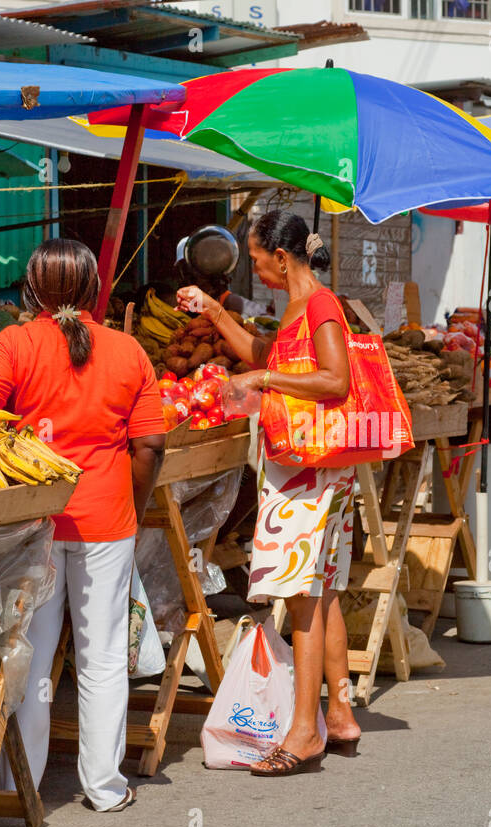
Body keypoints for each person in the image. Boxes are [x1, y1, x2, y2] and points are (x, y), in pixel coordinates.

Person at [0, 237, 166, 812]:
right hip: (107, 521)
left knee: (27, 649)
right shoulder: (128, 351)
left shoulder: (10, 345)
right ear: (94, 289)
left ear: (30, 290)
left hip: (33, 523)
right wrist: (133, 506)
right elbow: (149, 444)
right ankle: (104, 788)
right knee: (102, 654)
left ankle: (14, 786)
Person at [177, 210, 360, 776]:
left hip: (310, 467)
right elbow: (265, 356)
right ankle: (343, 716)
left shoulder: (322, 305)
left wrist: (266, 381)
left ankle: (305, 732)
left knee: (302, 594)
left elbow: (336, 380)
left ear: (282, 258)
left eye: (257, 259)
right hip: (312, 464)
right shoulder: (300, 307)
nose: (254, 268)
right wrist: (214, 312)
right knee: (322, 589)